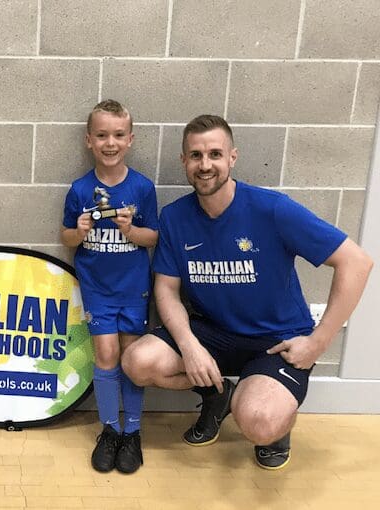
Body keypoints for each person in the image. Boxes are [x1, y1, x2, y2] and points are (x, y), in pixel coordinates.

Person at [122, 115, 373, 469]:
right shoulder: (175, 217)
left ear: (232, 157)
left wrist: (318, 342)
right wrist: (190, 347)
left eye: (215, 154)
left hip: (276, 339)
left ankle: (271, 422)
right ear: (184, 161)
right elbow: (166, 288)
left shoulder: (272, 209)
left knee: (259, 422)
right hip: (214, 333)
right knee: (137, 362)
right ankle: (218, 396)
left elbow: (357, 262)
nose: (205, 165)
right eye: (196, 155)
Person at [61, 100, 158, 473]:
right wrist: (78, 231)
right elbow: (66, 238)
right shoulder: (79, 189)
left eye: (118, 135)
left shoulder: (142, 187)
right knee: (105, 354)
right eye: (102, 135)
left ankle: (132, 431)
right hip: (97, 289)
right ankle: (109, 430)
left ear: (130, 139)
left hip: (134, 289)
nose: (110, 143)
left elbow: (153, 238)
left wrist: (131, 231)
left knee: (131, 359)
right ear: (89, 140)